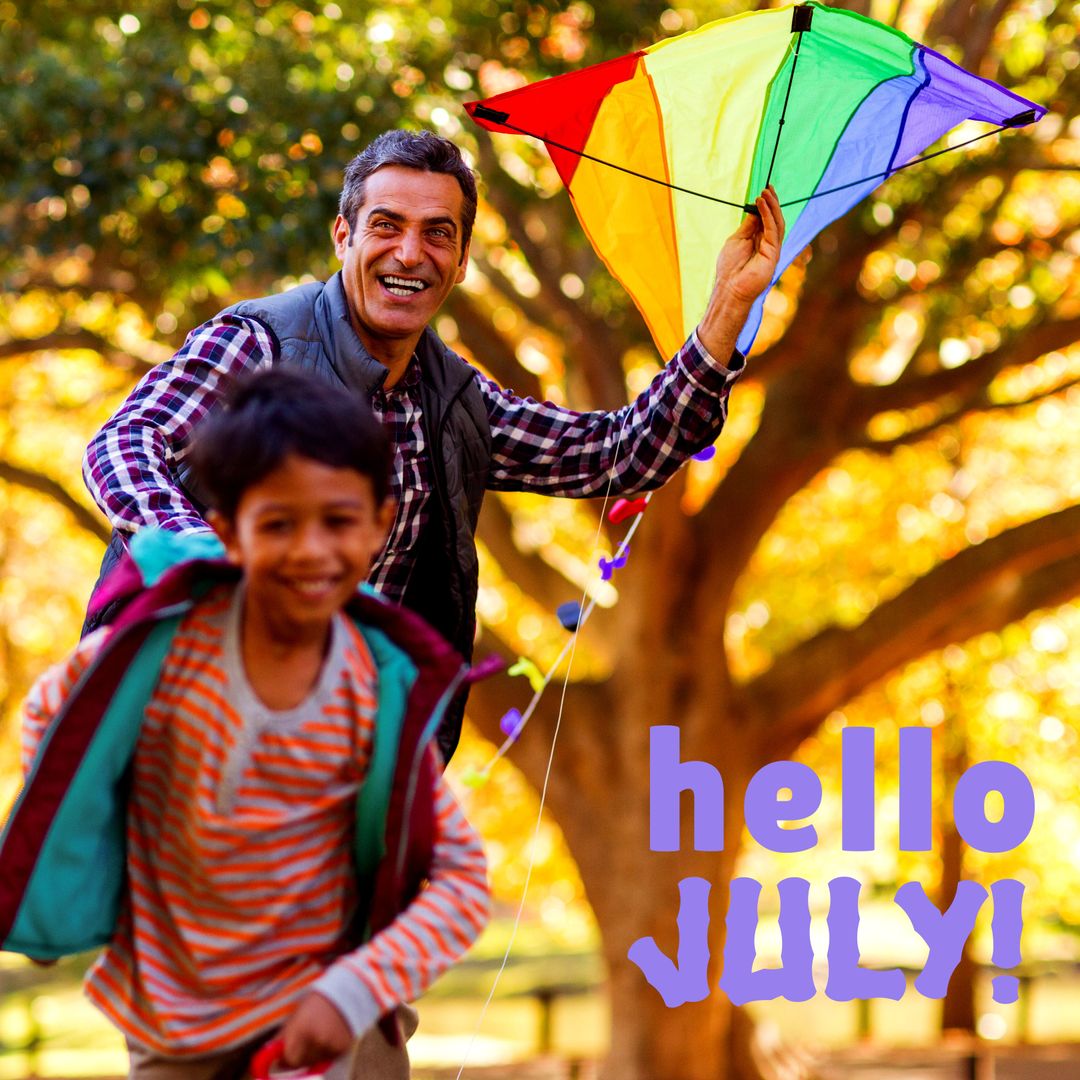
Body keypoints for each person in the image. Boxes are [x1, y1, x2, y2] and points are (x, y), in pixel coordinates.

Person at [82, 128, 786, 761]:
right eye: (386, 225)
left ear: (461, 259)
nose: (409, 253)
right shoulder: (260, 343)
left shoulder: (454, 402)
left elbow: (617, 455)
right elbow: (123, 444)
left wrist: (726, 311)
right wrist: (205, 561)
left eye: (437, 233)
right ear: (342, 237)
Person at [4, 369, 490, 1079]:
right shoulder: (163, 651)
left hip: (328, 1016)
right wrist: (84, 852)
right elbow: (55, 717)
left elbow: (462, 874)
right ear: (228, 531)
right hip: (175, 1023)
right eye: (278, 524)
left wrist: (353, 993)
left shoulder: (372, 688)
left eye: (339, 520)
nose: (312, 551)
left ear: (381, 522)